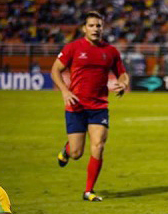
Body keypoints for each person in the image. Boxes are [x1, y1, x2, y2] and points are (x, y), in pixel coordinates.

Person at [51, 11, 129, 202]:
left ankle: (88, 191)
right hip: (76, 105)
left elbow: (122, 73)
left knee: (98, 145)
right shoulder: (73, 48)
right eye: (92, 25)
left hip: (99, 106)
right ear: (84, 28)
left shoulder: (110, 51)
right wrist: (64, 91)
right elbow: (55, 70)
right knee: (77, 153)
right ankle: (67, 150)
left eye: (98, 26)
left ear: (103, 28)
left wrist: (123, 83)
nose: (95, 29)